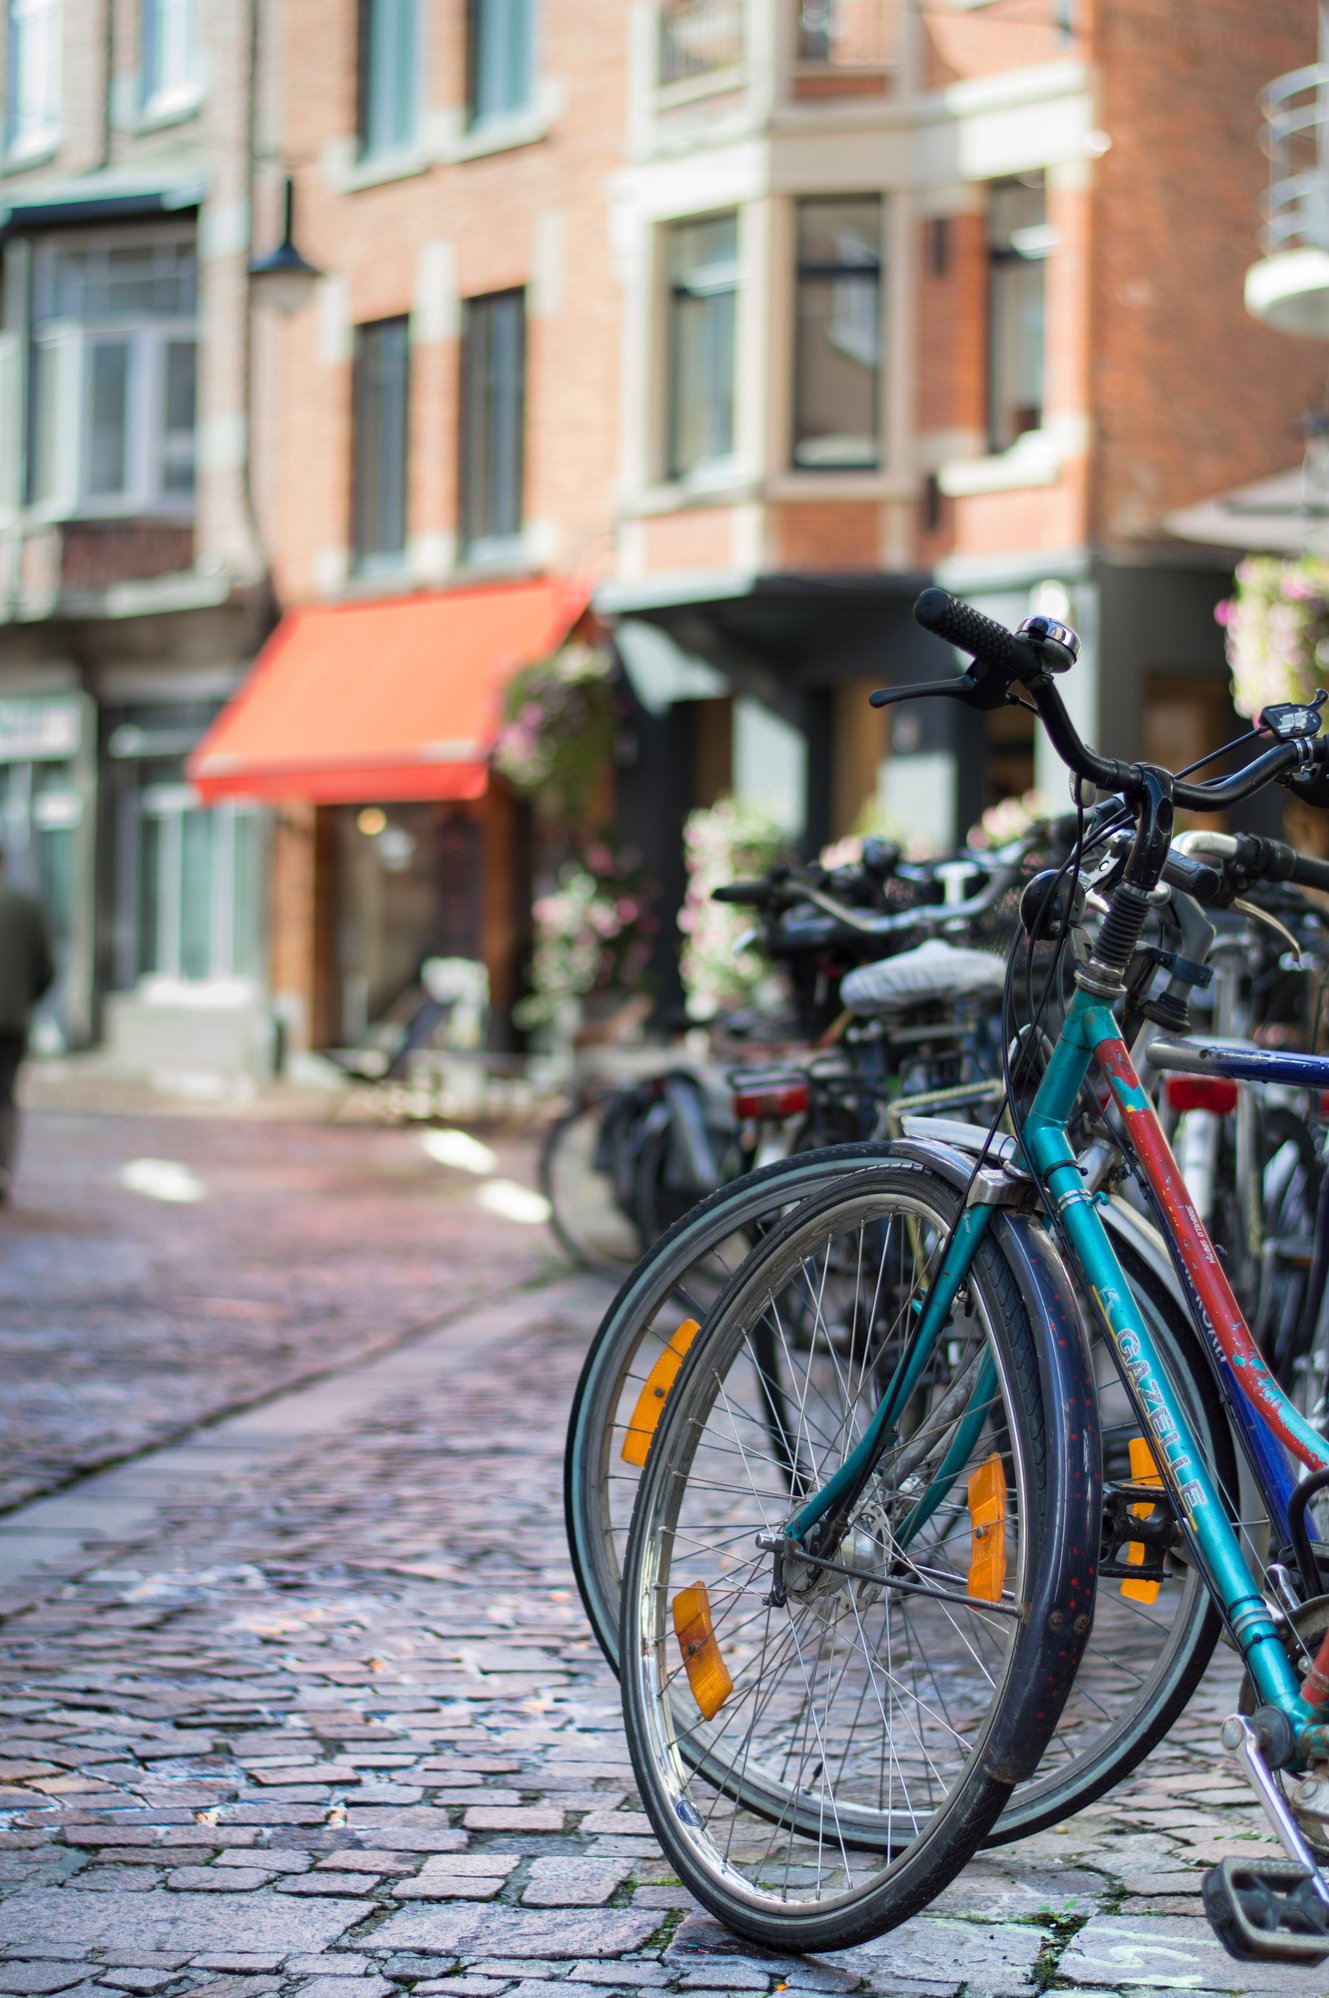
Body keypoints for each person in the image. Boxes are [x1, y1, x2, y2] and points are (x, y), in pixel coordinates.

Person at [0, 852, 54, 1202]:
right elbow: (47, 968)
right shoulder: (25, 906)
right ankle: (1, 1174)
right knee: (5, 1099)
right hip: (12, 1023)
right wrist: (21, 1001)